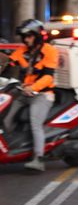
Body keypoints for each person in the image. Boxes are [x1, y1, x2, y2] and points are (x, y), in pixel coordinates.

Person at [3, 19, 58, 171]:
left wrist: (33, 88)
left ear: (37, 36)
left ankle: (38, 158)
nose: (26, 39)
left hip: (43, 94)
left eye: (29, 36)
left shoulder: (49, 51)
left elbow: (48, 76)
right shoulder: (23, 50)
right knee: (6, 117)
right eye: (24, 37)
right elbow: (8, 63)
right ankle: (16, 146)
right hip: (23, 92)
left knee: (35, 122)